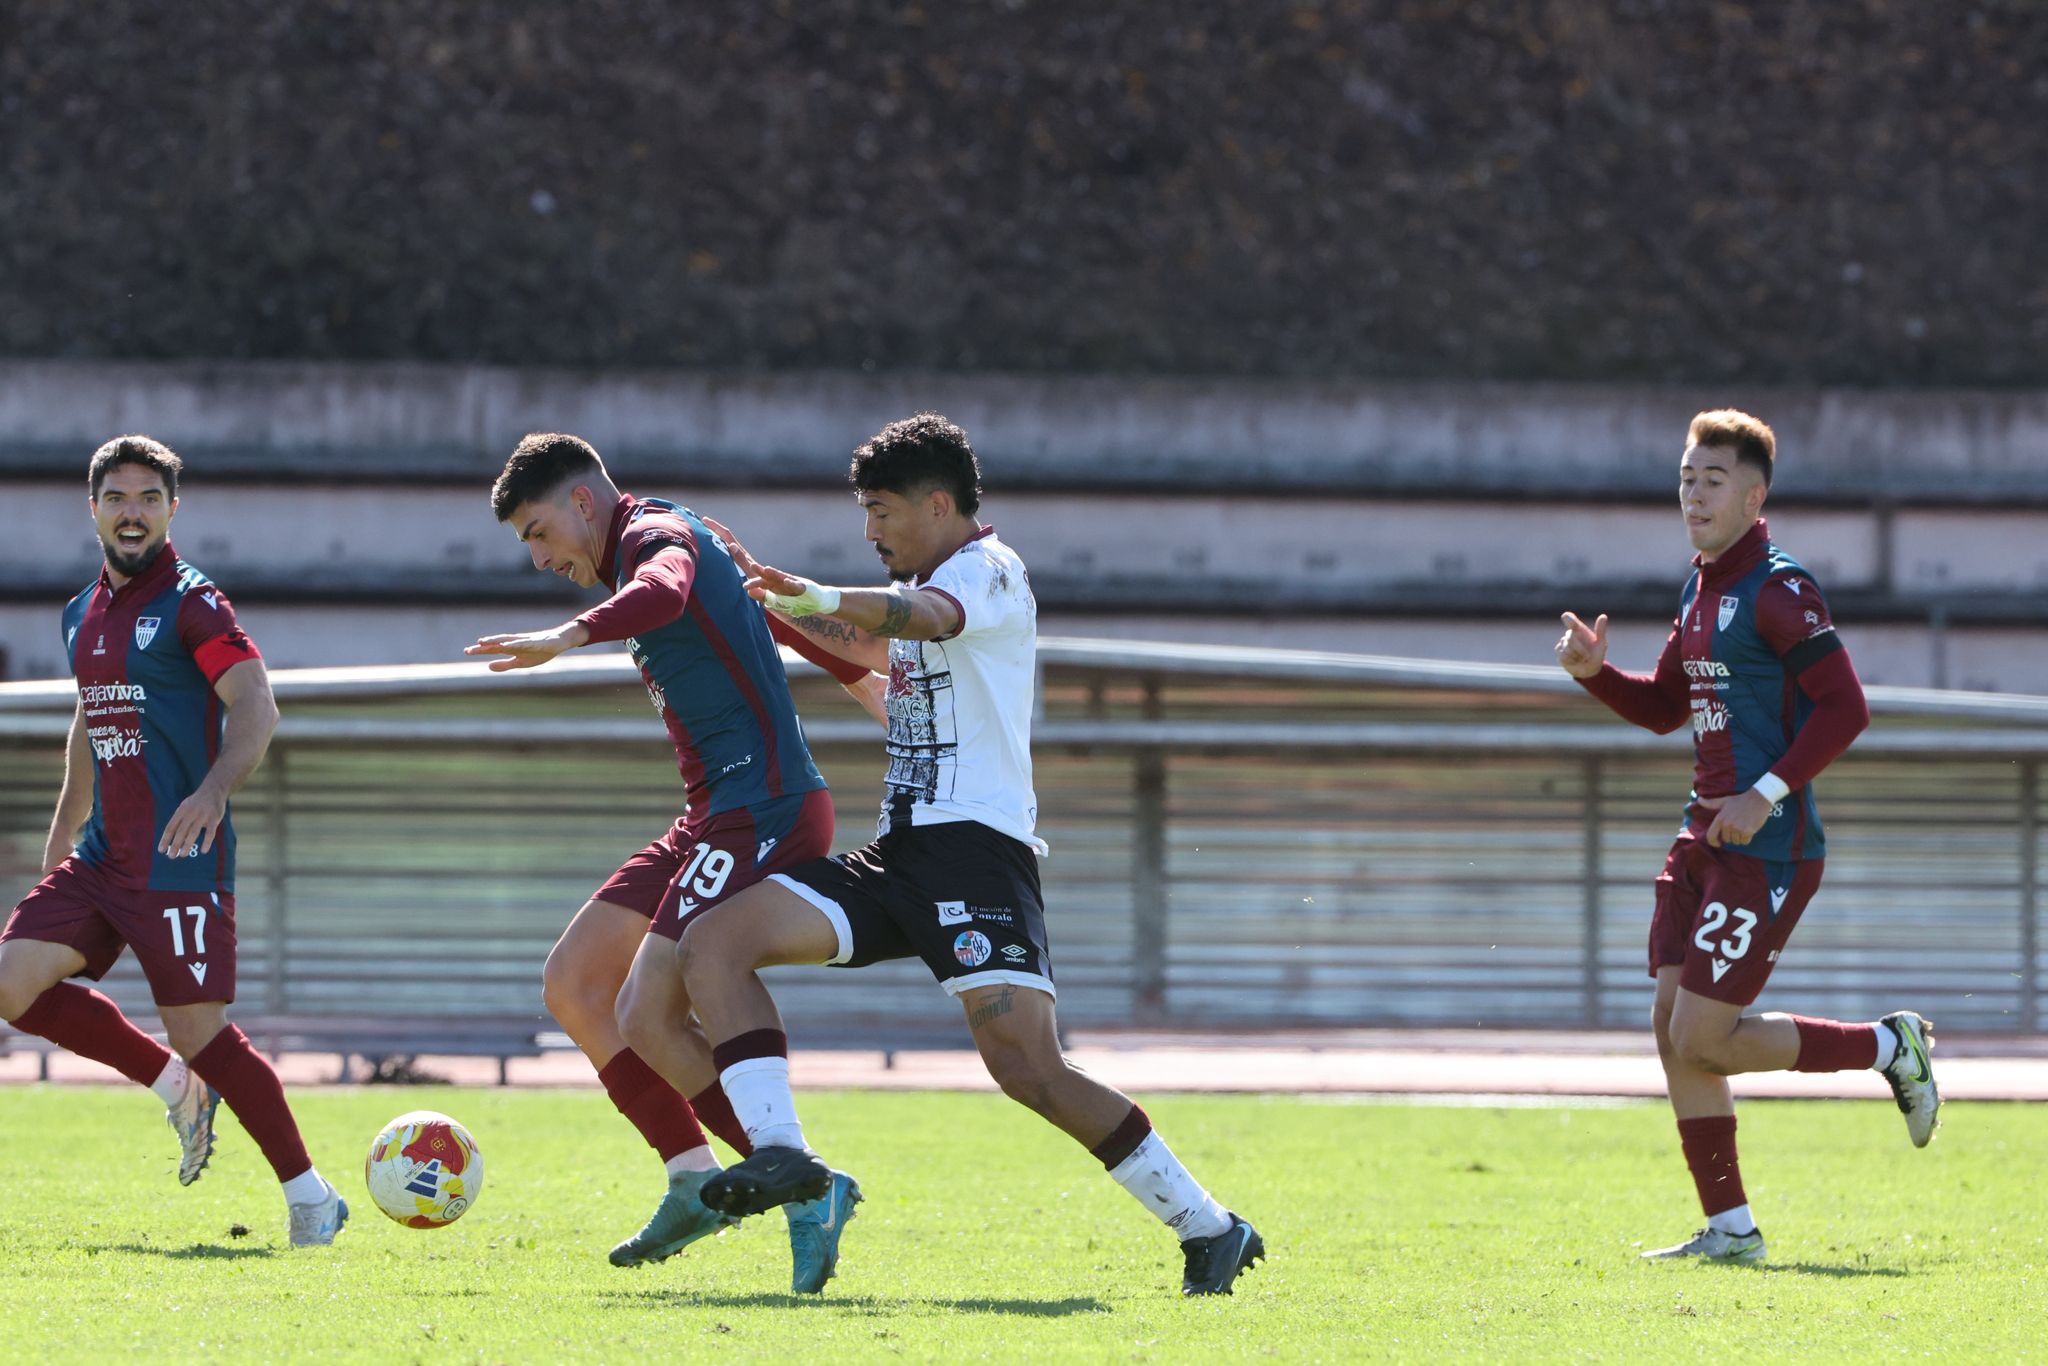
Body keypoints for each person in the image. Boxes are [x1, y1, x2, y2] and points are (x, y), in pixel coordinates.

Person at [673, 413, 1265, 1297]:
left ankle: (1210, 1226)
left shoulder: (988, 571)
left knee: (1030, 1071)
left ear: (937, 504)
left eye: (880, 511)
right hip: (900, 855)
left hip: (976, 858)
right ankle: (783, 1153)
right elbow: (870, 655)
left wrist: (819, 596)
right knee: (714, 943)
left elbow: (925, 617)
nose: (869, 531)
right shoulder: (919, 591)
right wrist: (763, 592)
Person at [466, 432, 871, 1291]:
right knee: (575, 984)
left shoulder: (657, 535)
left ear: (583, 503)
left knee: (647, 1013)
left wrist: (568, 635)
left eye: (539, 532)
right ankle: (693, 1177)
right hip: (710, 817)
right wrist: (867, 685)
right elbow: (767, 610)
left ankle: (804, 1185)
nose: (539, 558)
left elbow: (668, 586)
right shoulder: (678, 533)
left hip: (763, 808)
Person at [1555, 409, 1939, 1265]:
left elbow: (1847, 708)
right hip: (1701, 836)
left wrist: (1766, 794)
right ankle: (1730, 1229)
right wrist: (1596, 676)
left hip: (1768, 847)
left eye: (1713, 480)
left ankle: (1889, 1046)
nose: (1694, 495)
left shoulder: (1779, 588)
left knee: (1703, 1037)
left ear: (1754, 496)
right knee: (1672, 1027)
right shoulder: (1699, 587)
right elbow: (1666, 707)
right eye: (1686, 478)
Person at [0, 436, 346, 1246]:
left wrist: (213, 789)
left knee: (204, 1035)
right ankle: (172, 1085)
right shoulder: (80, 613)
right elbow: (91, 722)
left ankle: (312, 1198)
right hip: (101, 858)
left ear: (171, 510)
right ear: (93, 508)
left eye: (149, 499)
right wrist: (64, 831)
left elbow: (256, 704)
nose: (133, 513)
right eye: (117, 498)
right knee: (13, 984)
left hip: (179, 860)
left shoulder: (196, 603)